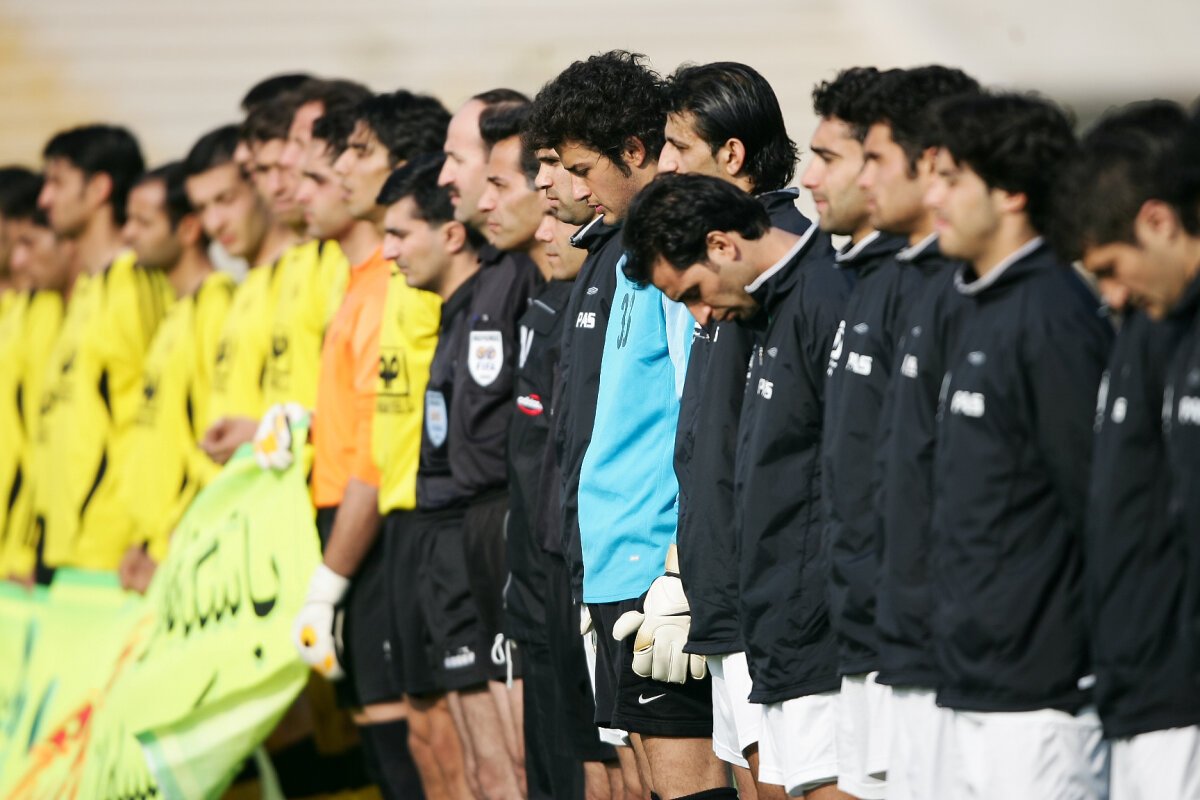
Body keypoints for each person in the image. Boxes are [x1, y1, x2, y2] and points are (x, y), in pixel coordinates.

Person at [528, 50, 731, 800]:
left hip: (655, 569)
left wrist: (677, 571)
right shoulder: (612, 256)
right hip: (610, 566)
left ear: (635, 153)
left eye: (582, 168)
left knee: (690, 783)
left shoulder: (672, 255)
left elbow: (695, 417)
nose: (571, 188)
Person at [923, 91, 1112, 798]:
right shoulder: (980, 302)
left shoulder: (1056, 316)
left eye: (951, 179)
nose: (933, 196)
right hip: (971, 677)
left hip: (1040, 696)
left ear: (1011, 193)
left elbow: (1101, 505)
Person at [656, 61, 816, 800]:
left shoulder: (780, 265)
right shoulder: (718, 260)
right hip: (727, 592)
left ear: (731, 154)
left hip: (779, 603)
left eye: (679, 146)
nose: (665, 164)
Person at [283, 89, 449, 800]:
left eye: (356, 153)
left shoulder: (394, 285)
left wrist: (330, 581)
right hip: (356, 533)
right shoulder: (358, 282)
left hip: (384, 537)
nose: (338, 171)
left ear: (402, 165)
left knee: (409, 755)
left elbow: (379, 454)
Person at [1053, 101, 1200, 798]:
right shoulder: (1156, 324)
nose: (1110, 296)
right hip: (1140, 694)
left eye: (1112, 268)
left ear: (1159, 221)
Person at [852, 66, 979, 800]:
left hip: (966, 652)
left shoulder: (967, 295)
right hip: (892, 629)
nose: (861, 179)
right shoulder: (899, 281)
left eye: (873, 158)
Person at [31, 124, 172, 575]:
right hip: (70, 551)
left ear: (98, 189)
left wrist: (150, 537)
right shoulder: (88, 291)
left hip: (118, 554)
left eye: (57, 182)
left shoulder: (135, 283)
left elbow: (160, 417)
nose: (44, 199)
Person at [116, 162, 234, 591]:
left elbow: (212, 442)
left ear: (187, 229)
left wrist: (175, 542)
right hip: (154, 549)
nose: (128, 234)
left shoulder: (216, 306)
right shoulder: (177, 311)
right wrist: (141, 539)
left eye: (143, 222)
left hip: (183, 551)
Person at [182, 125, 277, 465]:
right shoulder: (245, 287)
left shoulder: (306, 274)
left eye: (226, 200)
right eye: (202, 208)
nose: (214, 223)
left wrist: (263, 435)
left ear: (260, 183)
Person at [0, 172, 65, 581]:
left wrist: (27, 545)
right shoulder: (16, 311)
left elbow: (41, 436)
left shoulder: (44, 312)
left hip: (25, 549)